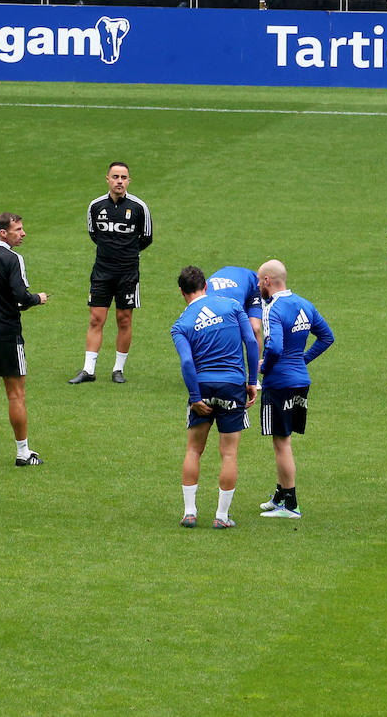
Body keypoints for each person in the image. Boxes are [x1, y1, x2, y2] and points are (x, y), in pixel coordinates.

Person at [171, 266, 259, 529]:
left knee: (193, 450)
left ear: (181, 292)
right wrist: (252, 382)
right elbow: (252, 343)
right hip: (232, 385)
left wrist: (195, 397)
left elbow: (187, 362)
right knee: (229, 454)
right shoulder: (232, 306)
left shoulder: (181, 325)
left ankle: (189, 513)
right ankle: (221, 517)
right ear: (206, 285)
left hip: (203, 388)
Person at [255, 260, 333, 520]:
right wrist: (302, 360)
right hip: (300, 380)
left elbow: (275, 347)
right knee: (284, 438)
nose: (257, 286)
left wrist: (265, 366)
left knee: (281, 442)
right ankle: (280, 494)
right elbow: (326, 337)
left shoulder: (272, 308)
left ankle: (290, 503)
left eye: (259, 280)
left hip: (280, 383)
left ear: (268, 280)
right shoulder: (304, 303)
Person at [0, 212, 48, 467]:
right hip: (7, 334)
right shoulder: (12, 258)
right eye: (18, 229)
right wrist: (38, 298)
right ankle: (22, 452)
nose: (23, 233)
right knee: (16, 394)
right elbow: (21, 297)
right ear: (3, 233)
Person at [70, 162, 152, 385]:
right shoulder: (96, 206)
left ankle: (118, 369)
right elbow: (94, 234)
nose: (119, 181)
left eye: (123, 177)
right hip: (101, 272)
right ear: (107, 179)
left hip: (128, 274)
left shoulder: (139, 207)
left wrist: (125, 253)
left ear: (129, 181)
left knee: (123, 319)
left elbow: (146, 238)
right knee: (96, 318)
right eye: (115, 176)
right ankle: (88, 370)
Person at [207, 265, 264, 341]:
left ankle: (257, 353)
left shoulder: (233, 306)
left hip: (252, 285)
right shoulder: (202, 301)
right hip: (230, 280)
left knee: (254, 329)